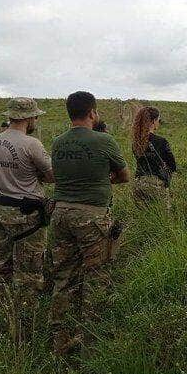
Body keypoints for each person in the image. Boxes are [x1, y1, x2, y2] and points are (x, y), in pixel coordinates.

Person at [50, 91, 129, 355]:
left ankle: (60, 339)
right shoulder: (104, 140)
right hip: (92, 216)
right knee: (96, 276)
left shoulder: (57, 142)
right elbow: (124, 175)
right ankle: (92, 345)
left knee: (64, 276)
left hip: (60, 214)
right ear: (93, 113)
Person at [0, 98, 54, 310]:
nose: (36, 120)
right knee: (29, 270)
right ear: (29, 117)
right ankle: (25, 316)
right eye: (35, 116)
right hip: (26, 214)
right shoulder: (31, 143)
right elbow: (52, 175)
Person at [131, 106, 176, 203]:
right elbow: (172, 165)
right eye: (158, 120)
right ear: (153, 121)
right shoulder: (161, 141)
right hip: (156, 183)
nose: (158, 123)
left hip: (139, 182)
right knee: (162, 216)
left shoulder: (136, 142)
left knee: (141, 216)